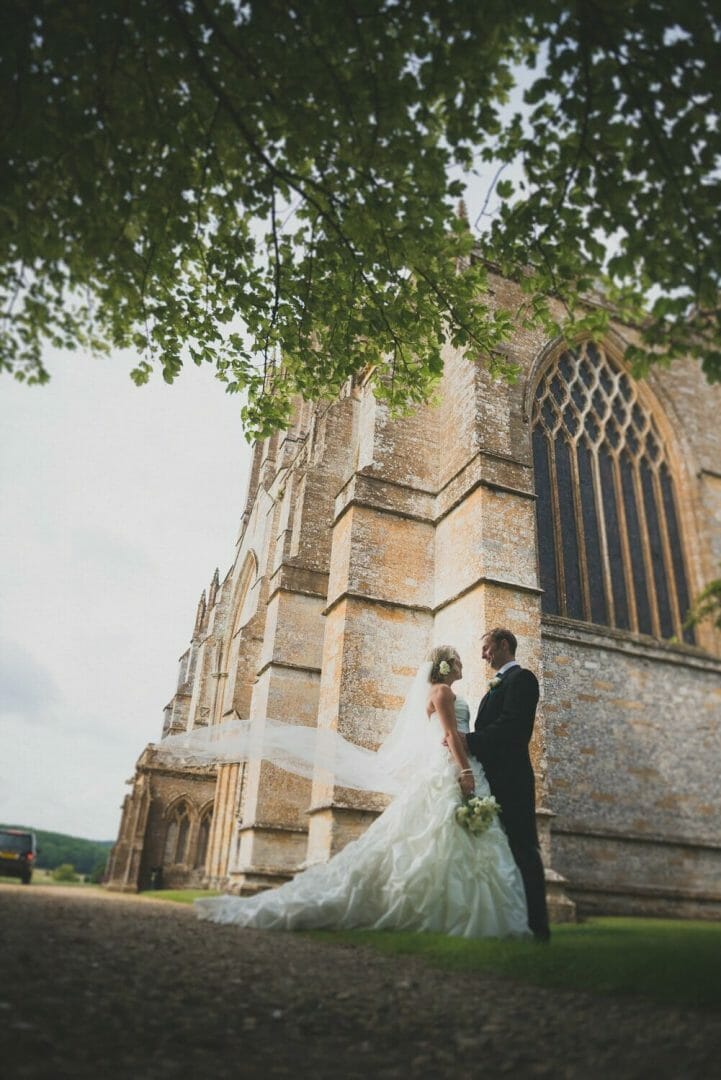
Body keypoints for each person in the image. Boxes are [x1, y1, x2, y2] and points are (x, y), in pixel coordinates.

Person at [190, 646, 530, 938]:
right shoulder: (442, 694)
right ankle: (450, 907)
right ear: (447, 666)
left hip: (449, 765)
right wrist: (466, 770)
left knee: (444, 836)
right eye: (457, 661)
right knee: (441, 832)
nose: (463, 665)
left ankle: (454, 904)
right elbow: (452, 735)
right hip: (452, 767)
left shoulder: (438, 694)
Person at [462, 628, 550, 942]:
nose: (483, 655)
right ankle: (512, 920)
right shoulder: (493, 688)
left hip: (512, 779)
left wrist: (468, 741)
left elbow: (512, 728)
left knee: (523, 847)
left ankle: (539, 926)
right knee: (501, 849)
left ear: (502, 646)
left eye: (486, 648)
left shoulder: (522, 679)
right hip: (492, 779)